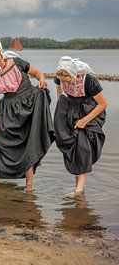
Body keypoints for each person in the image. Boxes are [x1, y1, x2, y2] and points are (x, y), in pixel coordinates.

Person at [0, 39, 54, 192]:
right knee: (1, 143)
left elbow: (37, 73)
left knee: (29, 146)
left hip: (29, 106)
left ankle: (29, 187)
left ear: (1, 54)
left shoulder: (17, 63)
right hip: (8, 111)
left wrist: (41, 80)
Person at [54, 56, 107, 197]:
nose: (63, 78)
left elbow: (102, 104)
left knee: (83, 148)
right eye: (61, 75)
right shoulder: (58, 78)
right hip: (70, 112)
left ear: (74, 73)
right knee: (74, 150)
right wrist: (62, 112)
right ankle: (78, 188)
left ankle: (79, 191)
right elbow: (60, 96)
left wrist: (84, 120)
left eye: (66, 76)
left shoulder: (89, 81)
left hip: (88, 112)